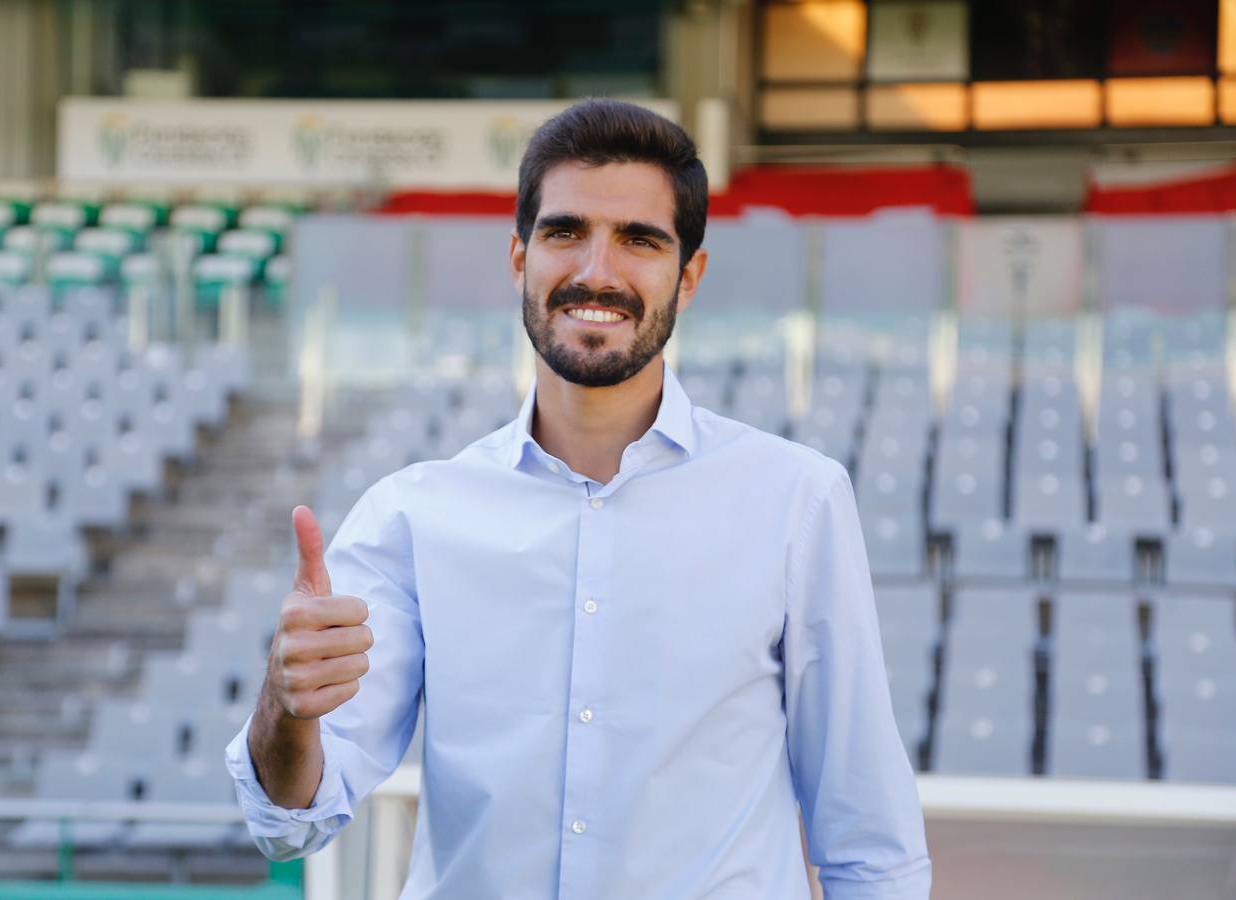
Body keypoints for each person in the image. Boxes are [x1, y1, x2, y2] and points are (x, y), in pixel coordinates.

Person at [226, 98, 931, 899]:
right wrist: (286, 706)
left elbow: (870, 843)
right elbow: (292, 818)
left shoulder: (796, 502)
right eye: (566, 232)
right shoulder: (414, 517)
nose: (597, 271)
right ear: (520, 257)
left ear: (688, 276)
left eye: (639, 240)